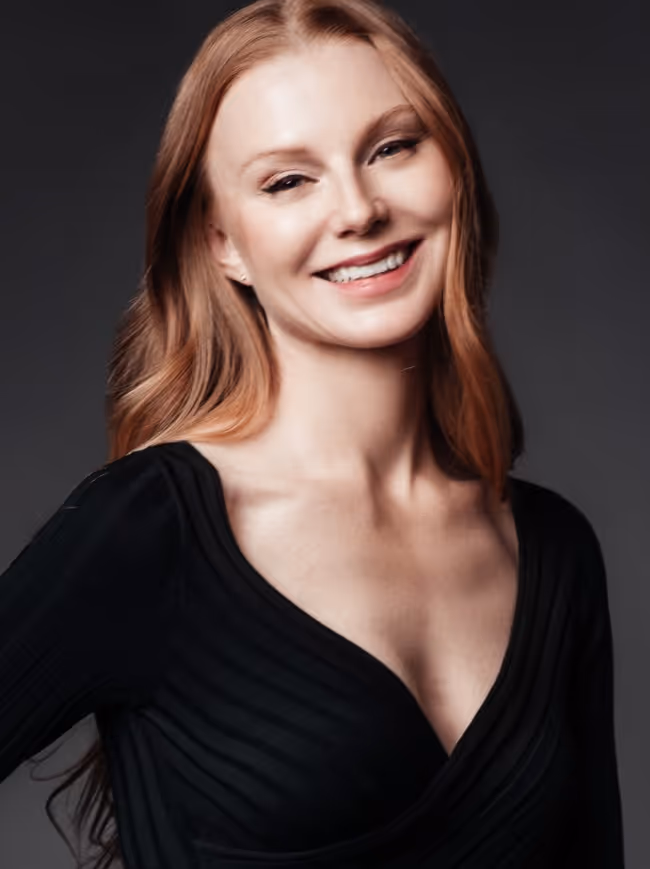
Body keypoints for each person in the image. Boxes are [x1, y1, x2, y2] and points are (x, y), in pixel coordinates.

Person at [0, 0, 625, 866]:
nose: (360, 209)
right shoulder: (149, 529)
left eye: (392, 147)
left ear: (456, 168)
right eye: (288, 180)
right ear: (225, 245)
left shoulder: (557, 550)